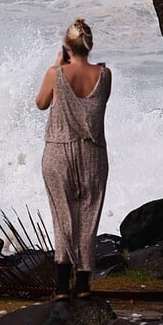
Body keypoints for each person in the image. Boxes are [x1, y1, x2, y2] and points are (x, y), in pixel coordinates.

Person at [35, 18, 111, 300]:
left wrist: (58, 64)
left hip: (59, 152)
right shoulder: (105, 75)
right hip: (93, 153)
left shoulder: (55, 73)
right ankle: (82, 284)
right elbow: (99, 103)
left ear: (67, 45)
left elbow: (41, 103)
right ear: (89, 45)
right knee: (88, 215)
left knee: (63, 215)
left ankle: (60, 286)